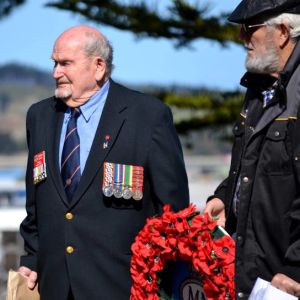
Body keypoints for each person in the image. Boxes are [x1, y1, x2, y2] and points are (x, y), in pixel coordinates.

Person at [18, 25, 189, 300]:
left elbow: (173, 211)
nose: (55, 73)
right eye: (54, 63)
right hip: (56, 287)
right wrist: (32, 258)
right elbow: (35, 203)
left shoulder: (147, 116)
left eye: (65, 64)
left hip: (122, 286)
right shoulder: (39, 116)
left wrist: (159, 280)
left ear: (98, 67)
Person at [204, 0, 300, 298]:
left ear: (282, 32)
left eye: (250, 28)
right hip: (254, 280)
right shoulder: (260, 88)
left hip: (285, 283)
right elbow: (257, 164)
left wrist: (295, 269)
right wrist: (225, 196)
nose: (242, 38)